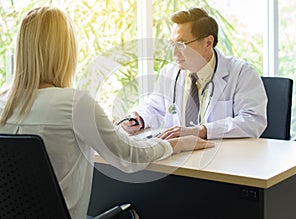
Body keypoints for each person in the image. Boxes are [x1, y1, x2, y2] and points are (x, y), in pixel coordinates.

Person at [0, 7, 213, 219]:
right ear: (65, 51)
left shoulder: (3, 102)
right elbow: (130, 156)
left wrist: (108, 130)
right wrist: (176, 144)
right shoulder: (74, 104)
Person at [122, 7, 267, 140]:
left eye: (181, 44)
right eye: (173, 44)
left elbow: (253, 121)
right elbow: (153, 107)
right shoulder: (170, 72)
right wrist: (139, 119)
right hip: (179, 157)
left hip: (226, 161)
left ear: (208, 42)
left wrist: (202, 131)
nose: (175, 53)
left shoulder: (241, 73)